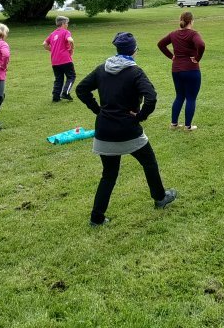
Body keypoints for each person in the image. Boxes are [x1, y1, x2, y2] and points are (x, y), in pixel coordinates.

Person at [76, 32, 177, 226]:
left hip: (105, 131)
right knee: (149, 162)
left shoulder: (101, 69)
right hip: (127, 130)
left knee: (109, 174)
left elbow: (81, 89)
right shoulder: (135, 72)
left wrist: (99, 111)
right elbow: (152, 97)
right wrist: (140, 117)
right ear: (133, 50)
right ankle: (160, 197)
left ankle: (96, 218)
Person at [157, 11, 206, 131]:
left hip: (176, 70)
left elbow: (161, 44)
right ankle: (188, 126)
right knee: (191, 98)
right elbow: (201, 44)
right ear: (191, 21)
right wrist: (197, 58)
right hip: (191, 69)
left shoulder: (174, 34)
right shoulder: (193, 34)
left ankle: (174, 124)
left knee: (179, 96)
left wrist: (171, 56)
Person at [43, 15, 76, 102]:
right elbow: (70, 40)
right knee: (71, 76)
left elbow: (44, 44)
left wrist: (53, 50)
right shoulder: (66, 32)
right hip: (65, 59)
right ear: (63, 23)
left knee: (58, 78)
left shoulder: (52, 33)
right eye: (67, 23)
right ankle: (65, 93)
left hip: (55, 61)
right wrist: (72, 49)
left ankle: (55, 97)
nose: (67, 25)